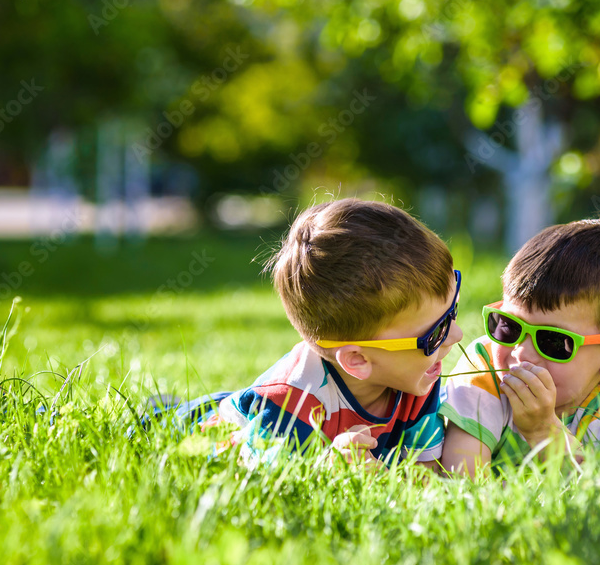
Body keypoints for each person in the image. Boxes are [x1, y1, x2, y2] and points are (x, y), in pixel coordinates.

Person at [151, 198, 463, 471]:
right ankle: (162, 409)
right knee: (165, 420)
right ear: (357, 359)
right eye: (436, 334)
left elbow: (429, 474)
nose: (457, 335)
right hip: (217, 427)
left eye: (454, 310)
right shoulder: (289, 404)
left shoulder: (417, 377)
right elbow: (269, 482)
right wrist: (327, 467)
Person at [440, 218, 600, 476]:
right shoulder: (485, 369)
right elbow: (462, 479)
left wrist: (544, 433)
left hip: (599, 402)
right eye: (509, 326)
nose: (521, 353)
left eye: (553, 341)